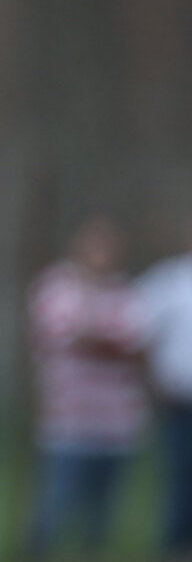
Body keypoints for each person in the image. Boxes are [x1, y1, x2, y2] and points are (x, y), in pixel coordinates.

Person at [26, 215, 149, 559]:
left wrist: (99, 342)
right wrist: (108, 343)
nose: (101, 254)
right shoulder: (57, 288)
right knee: (56, 503)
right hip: (68, 421)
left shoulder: (127, 292)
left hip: (116, 424)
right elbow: (67, 337)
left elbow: (138, 345)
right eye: (95, 246)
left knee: (102, 512)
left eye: (108, 247)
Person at [137, 218, 192, 562]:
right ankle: (175, 546)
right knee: (182, 476)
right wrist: (152, 379)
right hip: (180, 401)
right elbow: (137, 329)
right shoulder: (169, 280)